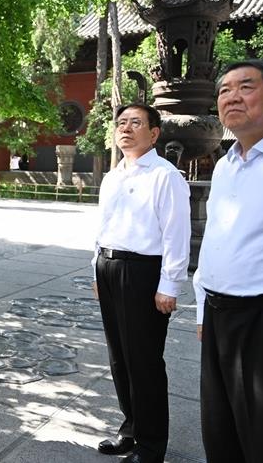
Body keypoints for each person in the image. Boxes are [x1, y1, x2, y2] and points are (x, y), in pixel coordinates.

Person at [193, 60, 263, 463]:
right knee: (220, 435)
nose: (232, 97)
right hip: (219, 317)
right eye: (224, 90)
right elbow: (217, 239)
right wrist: (203, 310)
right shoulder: (225, 165)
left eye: (245, 87)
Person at [92, 102, 190, 463]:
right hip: (109, 266)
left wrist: (170, 284)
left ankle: (151, 446)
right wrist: (95, 268)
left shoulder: (165, 175)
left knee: (144, 361)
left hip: (143, 272)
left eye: (136, 123)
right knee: (119, 358)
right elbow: (103, 226)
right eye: (121, 122)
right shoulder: (113, 176)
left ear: (154, 133)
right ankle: (131, 429)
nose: (126, 128)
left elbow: (176, 233)